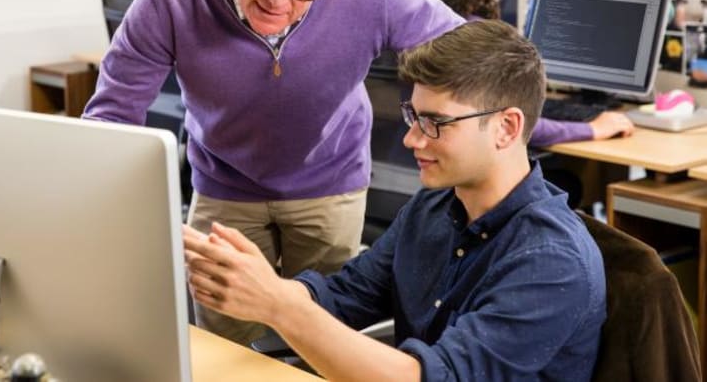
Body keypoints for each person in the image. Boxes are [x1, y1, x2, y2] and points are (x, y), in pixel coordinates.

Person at [82, 0, 462, 345]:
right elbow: (113, 114)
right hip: (223, 184)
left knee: (325, 339)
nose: (278, 1)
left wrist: (549, 129)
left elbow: (472, 51)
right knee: (221, 346)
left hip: (329, 183)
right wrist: (116, 211)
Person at [184, 20, 607, 381]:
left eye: (436, 122)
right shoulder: (432, 208)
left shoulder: (552, 261)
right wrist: (257, 285)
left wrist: (278, 306)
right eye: (413, 116)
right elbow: (346, 296)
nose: (411, 139)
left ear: (506, 128)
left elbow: (431, 377)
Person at [415, 0, 634, 148]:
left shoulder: (418, 25)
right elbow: (513, 124)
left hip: (412, 157)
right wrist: (591, 129)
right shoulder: (473, 37)